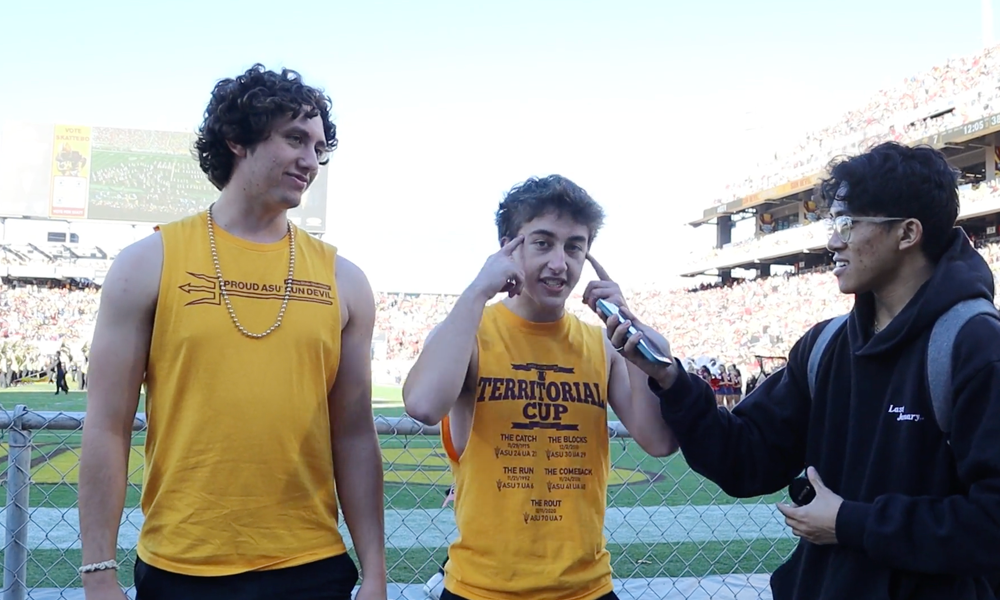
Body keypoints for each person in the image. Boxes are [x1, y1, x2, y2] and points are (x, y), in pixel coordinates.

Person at [610, 142, 1000, 599]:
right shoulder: (824, 345)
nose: (831, 240)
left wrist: (850, 522)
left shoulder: (975, 345)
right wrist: (671, 380)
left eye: (846, 224)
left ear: (908, 233)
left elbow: (990, 522)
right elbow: (746, 461)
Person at [78, 64, 386, 600]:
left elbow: (356, 433)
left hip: (312, 564)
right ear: (237, 139)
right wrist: (98, 572)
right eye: (294, 138)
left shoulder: (346, 280)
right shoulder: (147, 263)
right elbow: (107, 425)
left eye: (318, 146)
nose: (311, 160)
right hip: (182, 566)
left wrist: (376, 573)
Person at [402, 174, 678, 600]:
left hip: (585, 588)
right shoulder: (472, 332)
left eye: (574, 247)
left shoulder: (601, 344)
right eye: (542, 242)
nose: (559, 263)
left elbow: (659, 441)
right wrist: (479, 289)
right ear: (509, 247)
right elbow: (421, 404)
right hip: (481, 588)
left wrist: (631, 326)